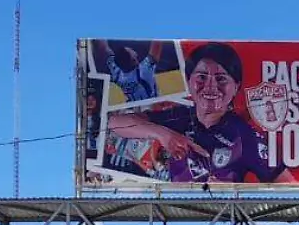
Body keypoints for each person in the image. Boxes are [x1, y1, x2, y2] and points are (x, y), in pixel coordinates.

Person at [106, 41, 286, 184]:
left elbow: (287, 185)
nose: (210, 86)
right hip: (171, 212)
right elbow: (113, 123)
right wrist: (164, 135)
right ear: (189, 81)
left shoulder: (245, 135)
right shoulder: (177, 116)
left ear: (236, 87)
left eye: (221, 79)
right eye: (201, 77)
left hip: (224, 216)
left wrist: (236, 191)